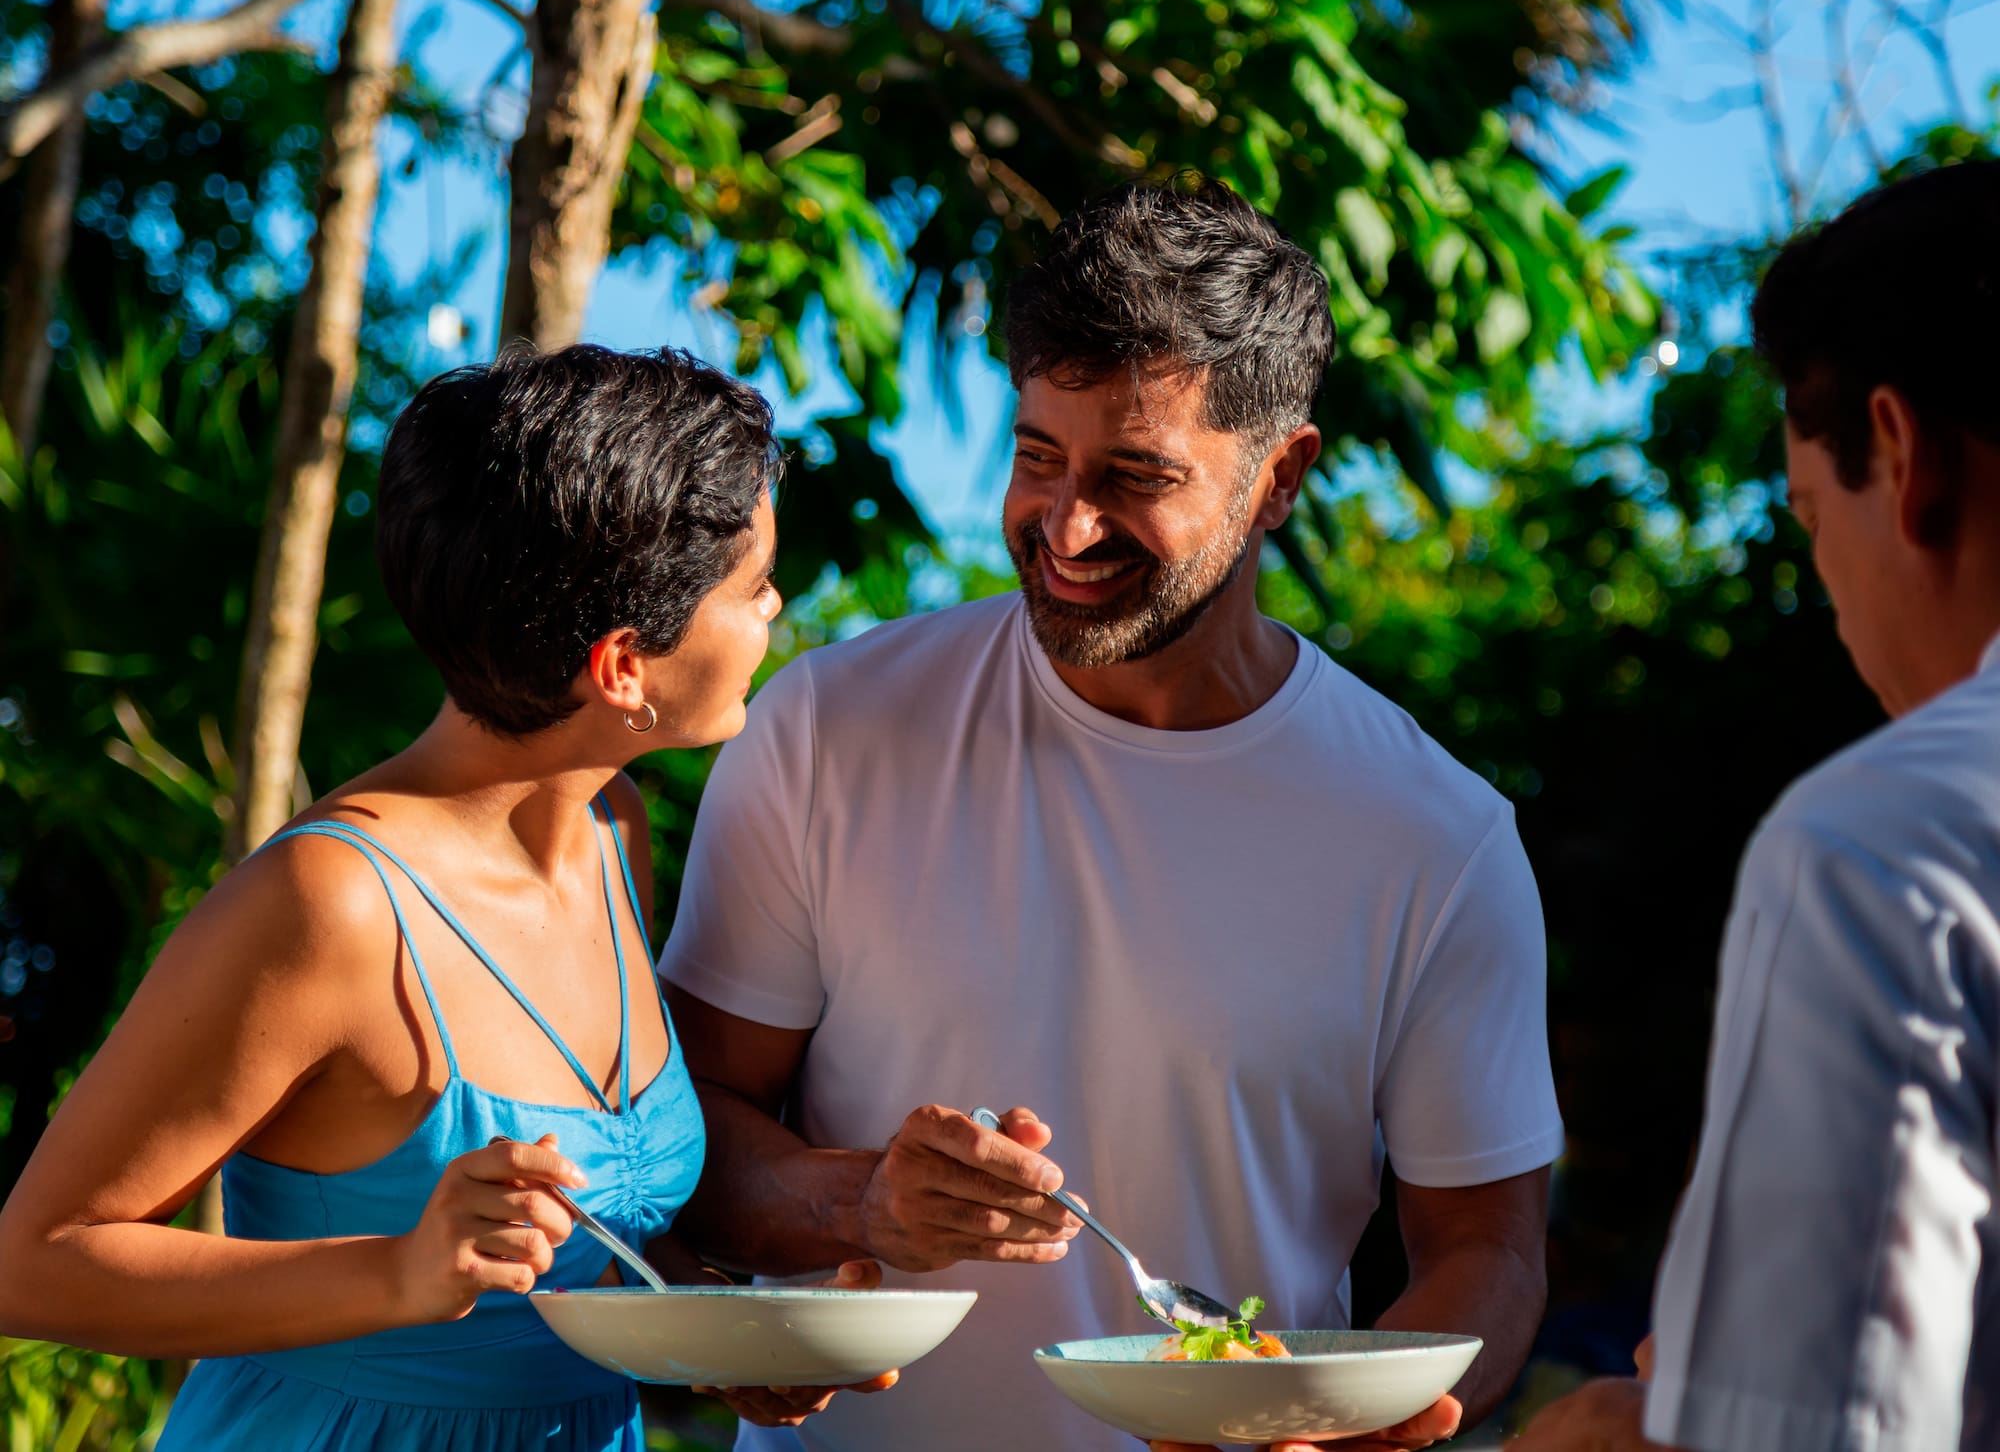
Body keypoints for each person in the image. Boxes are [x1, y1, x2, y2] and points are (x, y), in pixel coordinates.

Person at [659, 178, 1566, 1452]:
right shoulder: (825, 732)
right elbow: (685, 1128)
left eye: (1135, 475)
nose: (1066, 524)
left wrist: (1363, 1424)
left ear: (1278, 479)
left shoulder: (1433, 836)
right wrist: (859, 1202)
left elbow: (1485, 1245)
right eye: (1039, 457)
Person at [0, 346, 885, 1448]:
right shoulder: (330, 906)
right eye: (750, 586)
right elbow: (32, 1265)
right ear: (621, 668)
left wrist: (712, 1338)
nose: (775, 607)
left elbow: (577, 1242)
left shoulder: (613, 835)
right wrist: (399, 1272)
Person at [1514, 160, 2000, 1452]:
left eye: (1806, 514)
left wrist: (1628, 1431)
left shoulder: (1887, 843)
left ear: (1899, 456)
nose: (1831, 591)